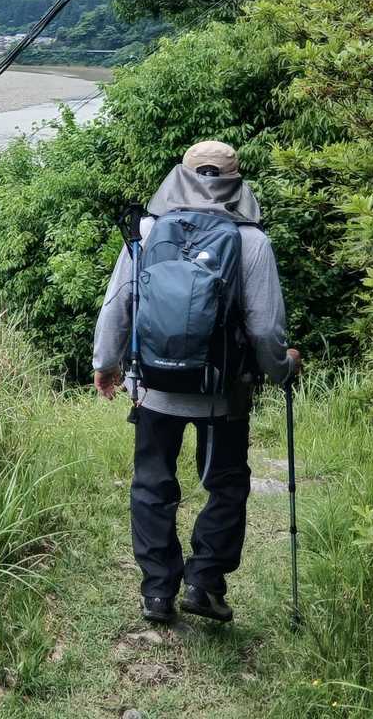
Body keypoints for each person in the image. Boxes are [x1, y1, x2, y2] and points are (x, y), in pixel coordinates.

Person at [92, 140, 301, 625]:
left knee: (152, 483)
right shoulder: (250, 240)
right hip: (223, 391)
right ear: (235, 181)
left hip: (153, 386)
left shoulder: (147, 230)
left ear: (181, 176)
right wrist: (282, 368)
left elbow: (119, 303)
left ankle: (157, 593)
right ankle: (204, 583)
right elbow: (265, 329)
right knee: (226, 484)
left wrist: (106, 362)